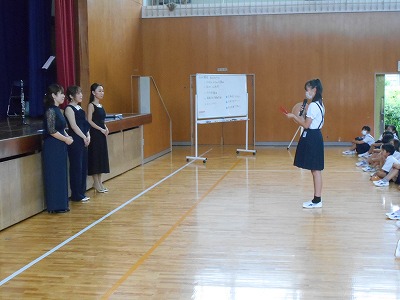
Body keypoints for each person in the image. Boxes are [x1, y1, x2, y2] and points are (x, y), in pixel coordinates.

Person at [286, 78, 325, 208]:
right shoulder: (320, 103)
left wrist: (294, 116)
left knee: (315, 170)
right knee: (315, 170)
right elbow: (307, 122)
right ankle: (317, 199)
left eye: (307, 89)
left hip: (312, 137)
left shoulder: (314, 105)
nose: (306, 92)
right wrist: (300, 116)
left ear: (314, 89)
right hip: (315, 136)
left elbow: (306, 125)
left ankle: (317, 200)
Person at [42, 84, 74, 213]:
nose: (63, 96)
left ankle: (62, 204)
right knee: (54, 174)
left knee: (61, 174)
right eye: (60, 93)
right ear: (53, 95)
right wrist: (66, 139)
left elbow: (61, 128)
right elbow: (51, 130)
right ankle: (55, 206)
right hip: (52, 147)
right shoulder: (50, 110)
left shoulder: (58, 109)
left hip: (60, 145)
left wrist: (67, 136)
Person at [64, 85, 91, 202]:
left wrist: (88, 136)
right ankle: (76, 194)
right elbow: (73, 126)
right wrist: (84, 136)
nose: (81, 95)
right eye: (78, 93)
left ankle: (82, 191)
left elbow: (85, 124)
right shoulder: (69, 109)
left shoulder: (80, 109)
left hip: (84, 139)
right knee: (76, 166)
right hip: (75, 140)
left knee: (83, 166)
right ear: (71, 96)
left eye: (81, 93)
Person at [87, 83, 110, 193]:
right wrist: (100, 129)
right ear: (93, 92)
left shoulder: (101, 106)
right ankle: (95, 182)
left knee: (101, 158)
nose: (102, 93)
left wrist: (105, 127)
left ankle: (100, 182)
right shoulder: (91, 105)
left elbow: (102, 120)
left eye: (102, 91)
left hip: (101, 134)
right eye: (99, 91)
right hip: (95, 134)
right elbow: (90, 121)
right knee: (95, 158)